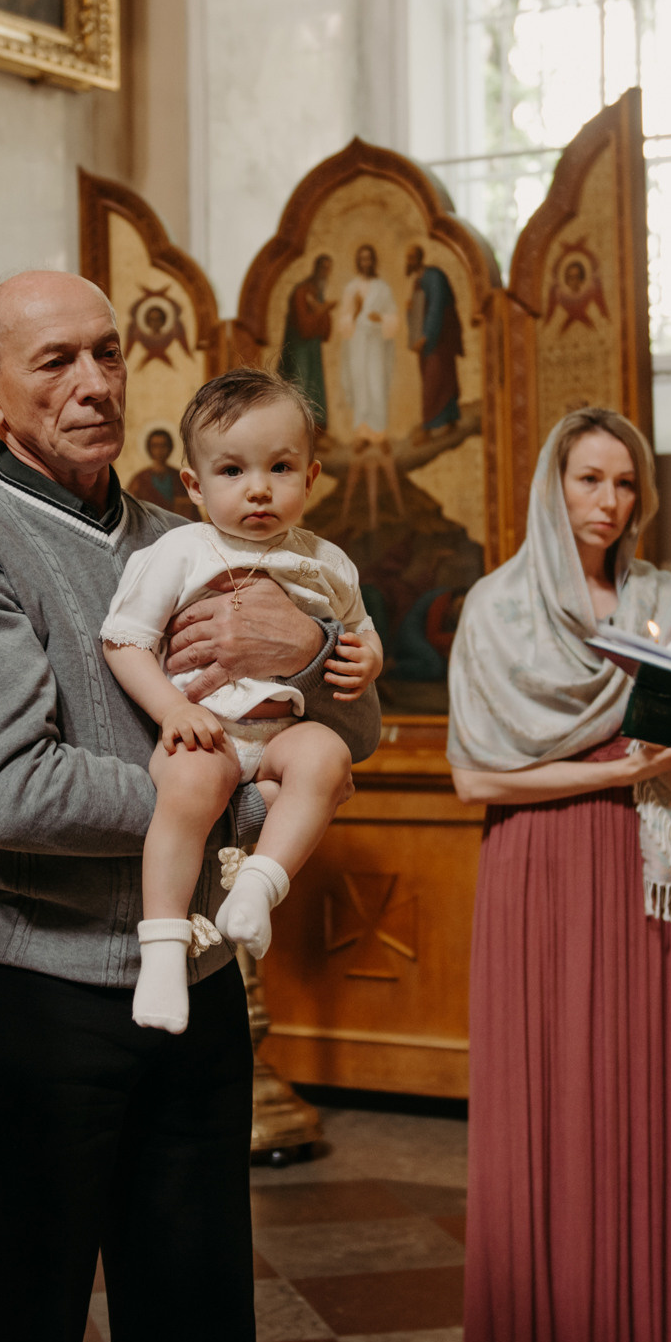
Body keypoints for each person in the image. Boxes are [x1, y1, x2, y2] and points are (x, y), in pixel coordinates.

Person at [0, 272, 382, 1342]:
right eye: (55, 360)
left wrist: (303, 655)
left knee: (197, 1308)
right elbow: (15, 791)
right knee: (17, 1313)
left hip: (194, 971)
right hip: (31, 982)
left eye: (107, 354)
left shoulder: (194, 530)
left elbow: (357, 737)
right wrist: (241, 796)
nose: (93, 383)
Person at [447, 407, 671, 1342]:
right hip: (542, 864)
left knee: (645, 1109)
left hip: (654, 865)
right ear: (551, 488)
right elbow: (476, 777)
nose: (607, 501)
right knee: (551, 1101)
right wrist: (611, 772)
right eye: (588, 479)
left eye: (623, 482)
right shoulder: (497, 607)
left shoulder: (667, 601)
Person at [103, 368, 384, 1032]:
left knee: (327, 757)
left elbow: (361, 637)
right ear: (195, 486)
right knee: (190, 786)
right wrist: (173, 712)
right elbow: (123, 642)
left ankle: (257, 887)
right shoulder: (181, 551)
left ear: (310, 478)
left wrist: (368, 659)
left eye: (280, 467)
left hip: (283, 731)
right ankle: (166, 951)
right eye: (232, 471)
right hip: (211, 729)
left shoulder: (329, 562)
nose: (259, 488)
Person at [334, 244, 403, 528]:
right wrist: (356, 312)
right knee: (361, 386)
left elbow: (394, 320)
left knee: (377, 386)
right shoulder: (352, 288)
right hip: (357, 345)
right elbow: (343, 323)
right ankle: (363, 432)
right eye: (360, 259)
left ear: (373, 261)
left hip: (376, 343)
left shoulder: (383, 288)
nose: (364, 262)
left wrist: (381, 319)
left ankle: (379, 433)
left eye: (368, 259)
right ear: (357, 261)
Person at [404, 243, 463, 432]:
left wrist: (427, 336)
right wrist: (409, 313)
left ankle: (428, 428)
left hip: (440, 338)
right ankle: (449, 421)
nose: (408, 262)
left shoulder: (433, 276)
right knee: (434, 377)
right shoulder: (418, 281)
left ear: (419, 258)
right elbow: (417, 314)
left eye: (411, 257)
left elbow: (436, 308)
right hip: (428, 341)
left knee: (436, 378)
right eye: (407, 258)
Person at [278, 253, 334, 425]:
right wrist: (320, 312)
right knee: (301, 383)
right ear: (316, 268)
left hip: (313, 346)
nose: (325, 272)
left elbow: (325, 329)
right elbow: (303, 325)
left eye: (328, 269)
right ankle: (298, 427)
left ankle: (316, 429)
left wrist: (322, 311)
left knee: (314, 386)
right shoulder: (302, 291)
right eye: (323, 268)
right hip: (300, 347)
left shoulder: (317, 293)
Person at [124, 425, 198, 519]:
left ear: (170, 447)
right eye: (155, 446)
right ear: (149, 448)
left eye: (163, 445)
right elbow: (130, 508)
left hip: (176, 526)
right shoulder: (140, 479)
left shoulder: (179, 477)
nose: (159, 450)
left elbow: (190, 509)